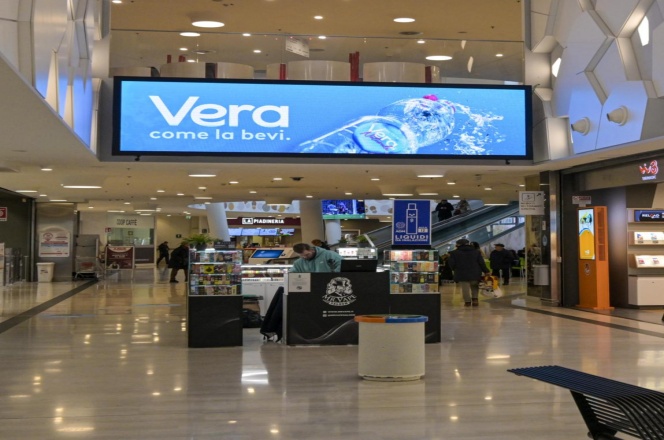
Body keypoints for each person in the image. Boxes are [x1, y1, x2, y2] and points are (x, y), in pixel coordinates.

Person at [448, 238, 490, 307]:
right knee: (474, 286)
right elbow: (481, 263)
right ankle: (475, 300)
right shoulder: (476, 252)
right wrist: (486, 271)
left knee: (465, 288)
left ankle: (467, 302)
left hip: (461, 273)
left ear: (458, 245)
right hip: (475, 272)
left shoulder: (454, 253)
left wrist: (455, 269)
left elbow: (451, 263)